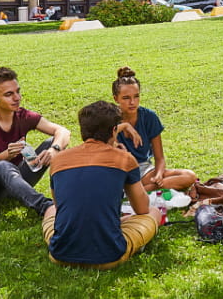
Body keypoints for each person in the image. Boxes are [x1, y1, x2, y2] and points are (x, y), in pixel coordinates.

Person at [42, 100, 158, 269]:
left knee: (51, 210)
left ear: (83, 130)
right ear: (113, 131)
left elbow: (59, 207)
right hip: (109, 256)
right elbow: (142, 209)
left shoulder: (58, 160)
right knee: (153, 212)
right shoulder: (124, 159)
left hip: (61, 254)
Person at [0, 67, 72, 216]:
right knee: (3, 165)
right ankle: (45, 206)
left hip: (19, 180)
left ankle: (70, 196)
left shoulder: (23, 115)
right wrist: (6, 154)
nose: (17, 98)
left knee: (51, 142)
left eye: (17, 91)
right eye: (9, 94)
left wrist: (54, 149)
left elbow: (63, 132)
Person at [111, 67, 198, 192]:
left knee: (189, 176)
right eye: (126, 98)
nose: (132, 102)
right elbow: (100, 140)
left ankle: (135, 192)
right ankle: (137, 191)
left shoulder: (148, 117)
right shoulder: (109, 117)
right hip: (120, 172)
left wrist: (158, 175)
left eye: (136, 96)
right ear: (116, 99)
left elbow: (159, 158)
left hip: (145, 171)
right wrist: (124, 126)